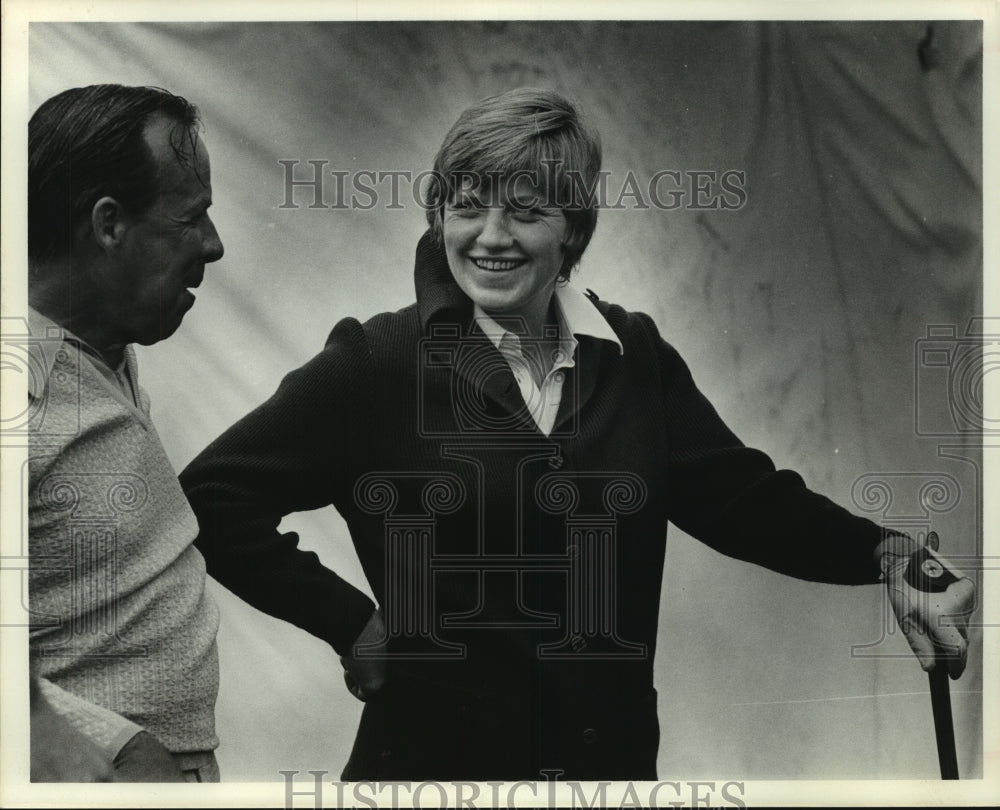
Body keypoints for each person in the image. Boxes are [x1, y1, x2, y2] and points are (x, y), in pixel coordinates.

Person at [180, 87, 974, 780]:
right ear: (438, 215)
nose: (491, 236)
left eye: (526, 211)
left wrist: (891, 555)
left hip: (607, 771)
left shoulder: (632, 356)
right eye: (467, 205)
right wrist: (350, 622)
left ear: (574, 231)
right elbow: (213, 497)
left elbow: (743, 499)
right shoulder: (378, 360)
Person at [28, 84, 225, 782]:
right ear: (109, 225)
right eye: (190, 218)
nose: (214, 245)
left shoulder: (98, 346)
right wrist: (106, 742)